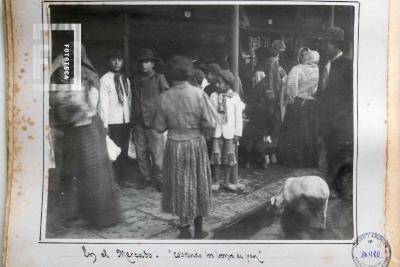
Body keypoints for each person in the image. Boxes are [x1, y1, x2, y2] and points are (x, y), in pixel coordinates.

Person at [50, 43, 120, 228]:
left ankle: (99, 215)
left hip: (86, 130)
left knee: (90, 172)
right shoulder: (74, 75)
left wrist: (68, 106)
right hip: (78, 130)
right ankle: (82, 212)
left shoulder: (86, 76)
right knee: (78, 172)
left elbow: (87, 108)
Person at [152, 56, 215, 239]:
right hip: (196, 142)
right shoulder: (198, 94)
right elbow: (209, 123)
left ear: (170, 75)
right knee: (198, 183)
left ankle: (184, 229)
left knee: (180, 186)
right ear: (188, 73)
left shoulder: (163, 97)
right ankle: (199, 228)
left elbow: (158, 127)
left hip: (174, 144)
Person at [317, 27, 353, 189]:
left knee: (337, 154)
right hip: (326, 119)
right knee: (329, 153)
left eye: (327, 44)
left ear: (337, 45)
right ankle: (331, 185)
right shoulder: (325, 65)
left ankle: (335, 186)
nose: (324, 47)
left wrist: (345, 118)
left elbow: (352, 95)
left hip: (340, 120)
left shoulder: (348, 65)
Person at [131, 48, 169, 191]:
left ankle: (160, 179)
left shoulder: (159, 78)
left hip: (154, 122)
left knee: (157, 152)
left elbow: (167, 98)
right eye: (141, 62)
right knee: (141, 152)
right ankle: (145, 177)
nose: (143, 65)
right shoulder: (135, 80)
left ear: (153, 64)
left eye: (147, 62)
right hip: (138, 122)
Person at [278, 47, 320, 168]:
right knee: (309, 132)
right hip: (311, 104)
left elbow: (291, 86)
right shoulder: (317, 70)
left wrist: (290, 100)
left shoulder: (298, 69)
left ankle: (294, 160)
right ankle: (310, 161)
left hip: (298, 102)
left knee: (295, 132)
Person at [99, 49, 134, 187]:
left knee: (124, 151)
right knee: (114, 152)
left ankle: (123, 179)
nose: (116, 62)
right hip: (113, 122)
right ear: (109, 62)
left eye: (119, 60)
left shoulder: (125, 79)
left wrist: (130, 119)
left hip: (125, 121)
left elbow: (129, 100)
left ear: (123, 62)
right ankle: (113, 181)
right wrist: (105, 124)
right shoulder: (104, 80)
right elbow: (103, 104)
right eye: (113, 59)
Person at [209, 70, 245, 192]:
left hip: (230, 132)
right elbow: (210, 114)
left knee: (229, 156)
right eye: (216, 83)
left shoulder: (234, 97)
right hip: (217, 131)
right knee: (216, 155)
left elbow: (238, 117)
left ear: (228, 84)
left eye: (220, 83)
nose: (217, 85)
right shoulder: (213, 96)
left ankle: (226, 181)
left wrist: (237, 133)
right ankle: (216, 181)